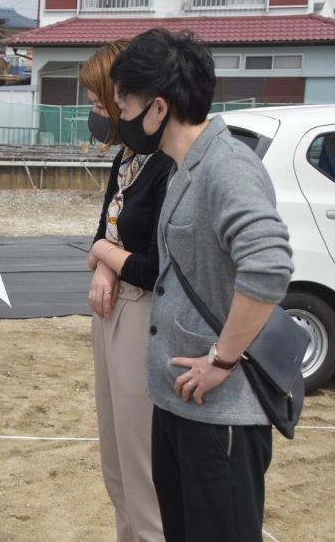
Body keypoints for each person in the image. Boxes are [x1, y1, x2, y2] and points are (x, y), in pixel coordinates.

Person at [109, 29, 294, 542]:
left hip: (223, 416)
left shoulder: (227, 166)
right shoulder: (182, 166)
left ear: (158, 108)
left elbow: (270, 264)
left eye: (124, 103)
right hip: (178, 404)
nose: (119, 116)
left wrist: (222, 360)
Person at [83, 40, 172, 542]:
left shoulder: (165, 166)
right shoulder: (126, 159)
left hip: (145, 318)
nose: (104, 116)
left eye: (107, 106)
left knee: (142, 469)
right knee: (115, 459)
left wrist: (106, 258)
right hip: (111, 313)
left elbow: (153, 265)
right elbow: (104, 231)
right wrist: (105, 263)